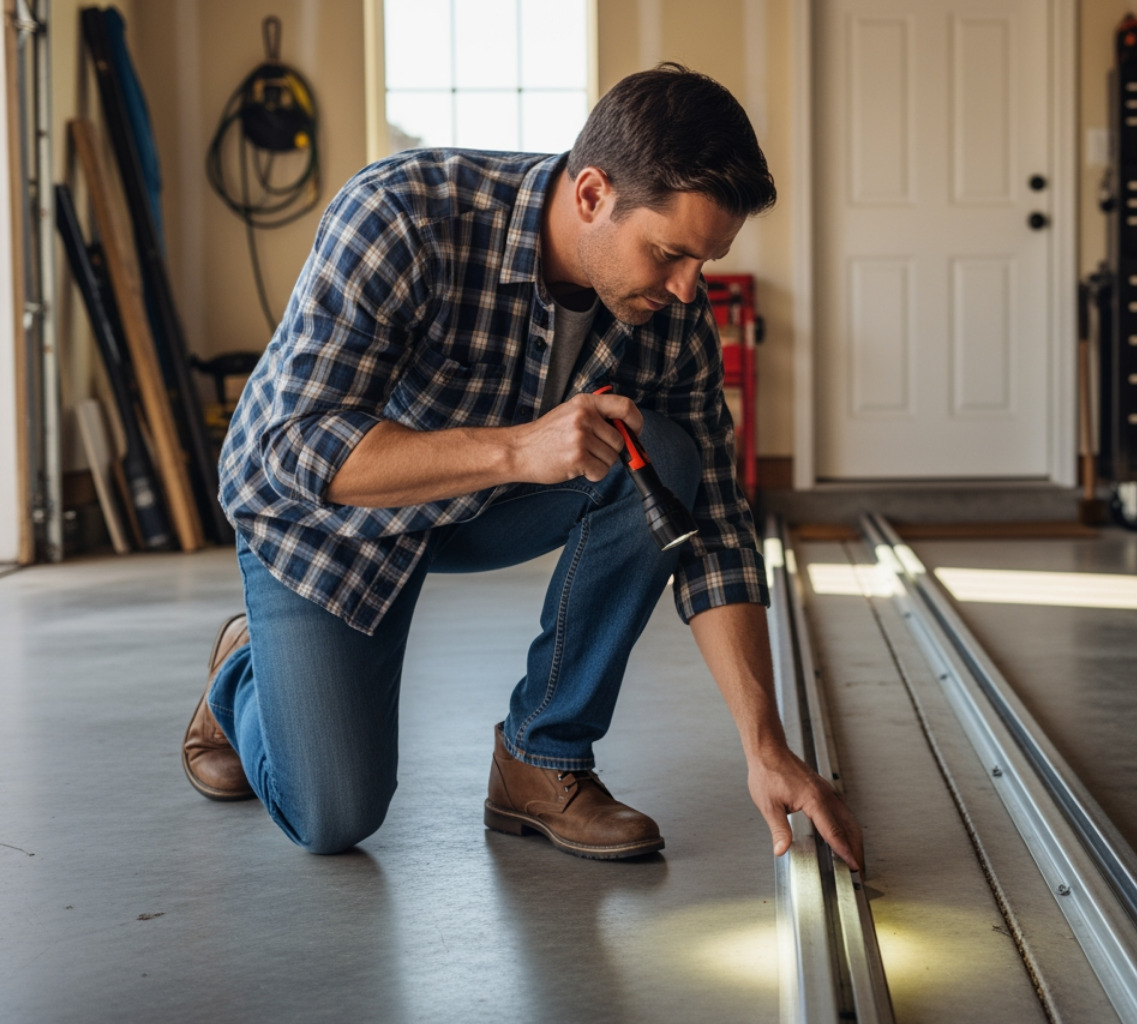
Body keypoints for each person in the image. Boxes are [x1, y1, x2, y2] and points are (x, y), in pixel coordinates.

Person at [181, 64, 863, 872]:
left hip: (478, 507)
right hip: (329, 517)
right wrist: (516, 448)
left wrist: (766, 744)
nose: (688, 291)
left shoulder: (670, 309)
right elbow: (292, 447)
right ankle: (244, 671)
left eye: (704, 263)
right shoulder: (403, 214)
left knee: (668, 455)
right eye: (669, 253)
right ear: (592, 195)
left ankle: (542, 756)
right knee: (332, 816)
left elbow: (709, 524)